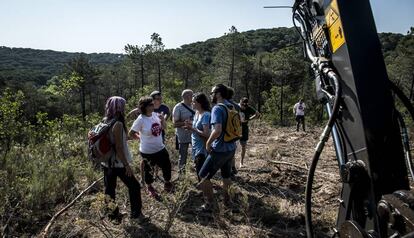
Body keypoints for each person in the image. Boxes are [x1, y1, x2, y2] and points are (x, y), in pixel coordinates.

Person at [101, 96, 148, 222]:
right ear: (119, 107)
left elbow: (116, 140)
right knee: (134, 186)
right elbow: (119, 147)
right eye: (123, 106)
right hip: (118, 163)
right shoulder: (118, 123)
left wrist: (132, 137)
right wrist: (126, 165)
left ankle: (112, 216)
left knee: (109, 189)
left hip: (106, 162)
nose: (124, 108)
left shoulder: (106, 120)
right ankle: (136, 214)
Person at [198, 84, 236, 212]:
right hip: (231, 147)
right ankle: (228, 202)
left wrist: (208, 144)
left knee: (203, 176)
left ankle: (210, 205)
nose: (210, 95)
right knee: (226, 176)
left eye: (212, 92)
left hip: (219, 149)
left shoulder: (217, 109)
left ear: (218, 94)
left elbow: (217, 130)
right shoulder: (232, 106)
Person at [129, 96, 173, 200]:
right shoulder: (140, 119)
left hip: (160, 147)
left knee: (167, 165)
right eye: (149, 105)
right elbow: (131, 133)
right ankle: (150, 187)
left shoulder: (155, 115)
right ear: (144, 107)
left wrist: (162, 120)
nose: (152, 106)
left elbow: (163, 128)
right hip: (147, 151)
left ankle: (167, 183)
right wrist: (139, 138)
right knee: (149, 170)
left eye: (152, 104)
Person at [183, 93, 211, 181]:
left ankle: (206, 191)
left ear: (200, 103)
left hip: (202, 147)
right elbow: (196, 127)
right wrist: (189, 125)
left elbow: (206, 134)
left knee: (201, 172)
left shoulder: (206, 115)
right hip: (195, 145)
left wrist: (192, 128)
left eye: (194, 102)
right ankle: (204, 189)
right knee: (199, 170)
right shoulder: (197, 113)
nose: (192, 104)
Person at [172, 89, 194, 173]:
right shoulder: (178, 107)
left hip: (195, 135)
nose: (193, 97)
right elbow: (174, 124)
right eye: (192, 95)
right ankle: (181, 174)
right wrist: (186, 123)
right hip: (183, 136)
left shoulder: (194, 105)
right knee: (183, 156)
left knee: (197, 154)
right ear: (187, 97)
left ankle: (197, 172)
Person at [239, 97, 260, 167]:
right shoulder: (236, 107)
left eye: (245, 106)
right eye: (242, 105)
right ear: (240, 103)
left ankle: (241, 163)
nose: (244, 107)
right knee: (233, 146)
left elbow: (258, 114)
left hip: (244, 129)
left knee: (243, 146)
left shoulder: (249, 108)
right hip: (235, 129)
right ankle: (231, 165)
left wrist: (249, 119)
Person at [225, 87, 241, 176]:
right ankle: (233, 167)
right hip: (235, 131)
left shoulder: (224, 105)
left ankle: (229, 169)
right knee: (232, 150)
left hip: (226, 132)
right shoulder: (237, 106)